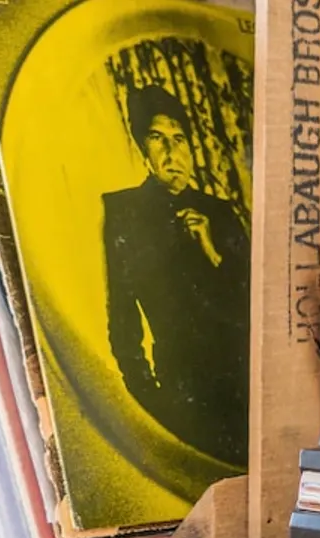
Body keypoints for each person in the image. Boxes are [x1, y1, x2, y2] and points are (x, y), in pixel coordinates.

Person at [102, 85, 251, 467]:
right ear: (143, 150)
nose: (171, 151)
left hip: (244, 382)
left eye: (179, 139)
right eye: (158, 138)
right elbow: (122, 313)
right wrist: (146, 394)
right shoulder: (124, 212)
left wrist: (212, 251)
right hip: (181, 390)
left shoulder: (221, 212)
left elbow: (253, 302)